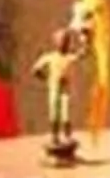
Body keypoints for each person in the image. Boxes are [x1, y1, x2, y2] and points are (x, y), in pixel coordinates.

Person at [33, 17, 89, 165]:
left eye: (66, 41)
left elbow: (83, 54)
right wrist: (46, 78)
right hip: (54, 87)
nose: (64, 44)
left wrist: (85, 38)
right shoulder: (49, 58)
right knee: (54, 112)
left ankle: (67, 136)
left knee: (66, 113)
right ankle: (55, 137)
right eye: (61, 41)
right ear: (55, 43)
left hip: (65, 88)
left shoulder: (69, 57)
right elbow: (36, 70)